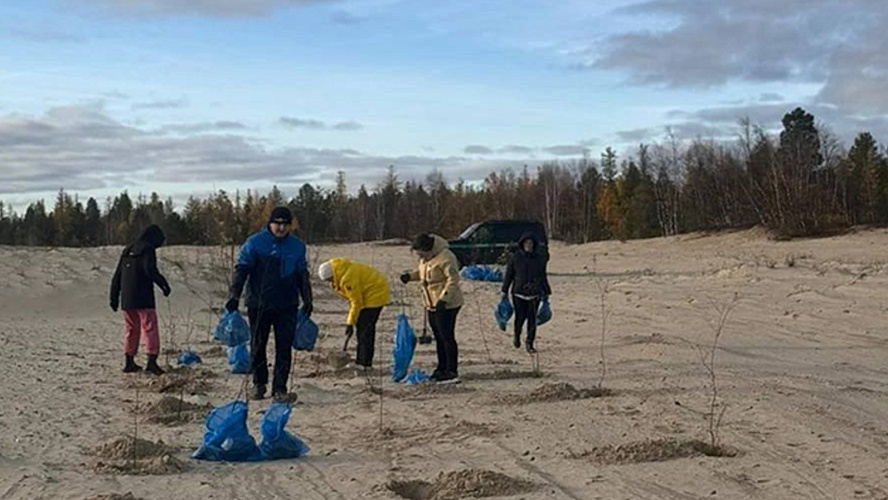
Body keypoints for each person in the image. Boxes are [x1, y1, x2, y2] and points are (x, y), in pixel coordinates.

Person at [225, 207, 313, 403]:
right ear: (270, 224)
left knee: (284, 347)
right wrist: (234, 295)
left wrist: (308, 298)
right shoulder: (255, 243)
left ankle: (279, 389)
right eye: (277, 223)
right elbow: (242, 270)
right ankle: (259, 384)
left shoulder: (297, 246)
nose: (281, 228)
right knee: (258, 345)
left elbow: (302, 274)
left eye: (285, 224)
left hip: (287, 304)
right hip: (259, 303)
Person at [400, 233, 464, 384]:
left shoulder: (446, 257)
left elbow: (453, 280)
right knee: (438, 336)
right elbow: (424, 274)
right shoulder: (425, 259)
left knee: (446, 336)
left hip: (448, 304)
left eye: (421, 253)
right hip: (430, 303)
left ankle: (452, 370)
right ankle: (441, 367)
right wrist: (410, 276)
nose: (420, 257)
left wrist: (444, 298)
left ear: (429, 249)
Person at [110, 224, 172, 375]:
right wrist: (164, 285)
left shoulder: (127, 250)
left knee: (131, 329)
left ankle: (129, 361)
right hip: (143, 297)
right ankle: (151, 361)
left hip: (127, 299)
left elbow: (117, 275)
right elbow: (150, 270)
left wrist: (113, 297)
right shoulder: (148, 249)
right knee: (149, 328)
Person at [318, 259, 390, 369]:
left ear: (332, 274)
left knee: (365, 329)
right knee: (362, 327)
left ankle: (364, 364)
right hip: (367, 292)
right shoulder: (340, 268)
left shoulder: (347, 279)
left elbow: (356, 302)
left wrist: (350, 323)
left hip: (375, 294)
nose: (330, 282)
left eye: (329, 279)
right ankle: (361, 360)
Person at [501, 232, 551, 353]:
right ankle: (517, 336)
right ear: (522, 244)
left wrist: (547, 291)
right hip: (518, 293)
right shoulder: (516, 257)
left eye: (531, 243)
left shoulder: (539, 259)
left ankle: (530, 343)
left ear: (534, 245)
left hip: (534, 293)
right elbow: (509, 275)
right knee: (520, 318)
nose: (528, 245)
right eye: (526, 243)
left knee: (532, 319)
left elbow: (542, 275)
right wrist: (504, 290)